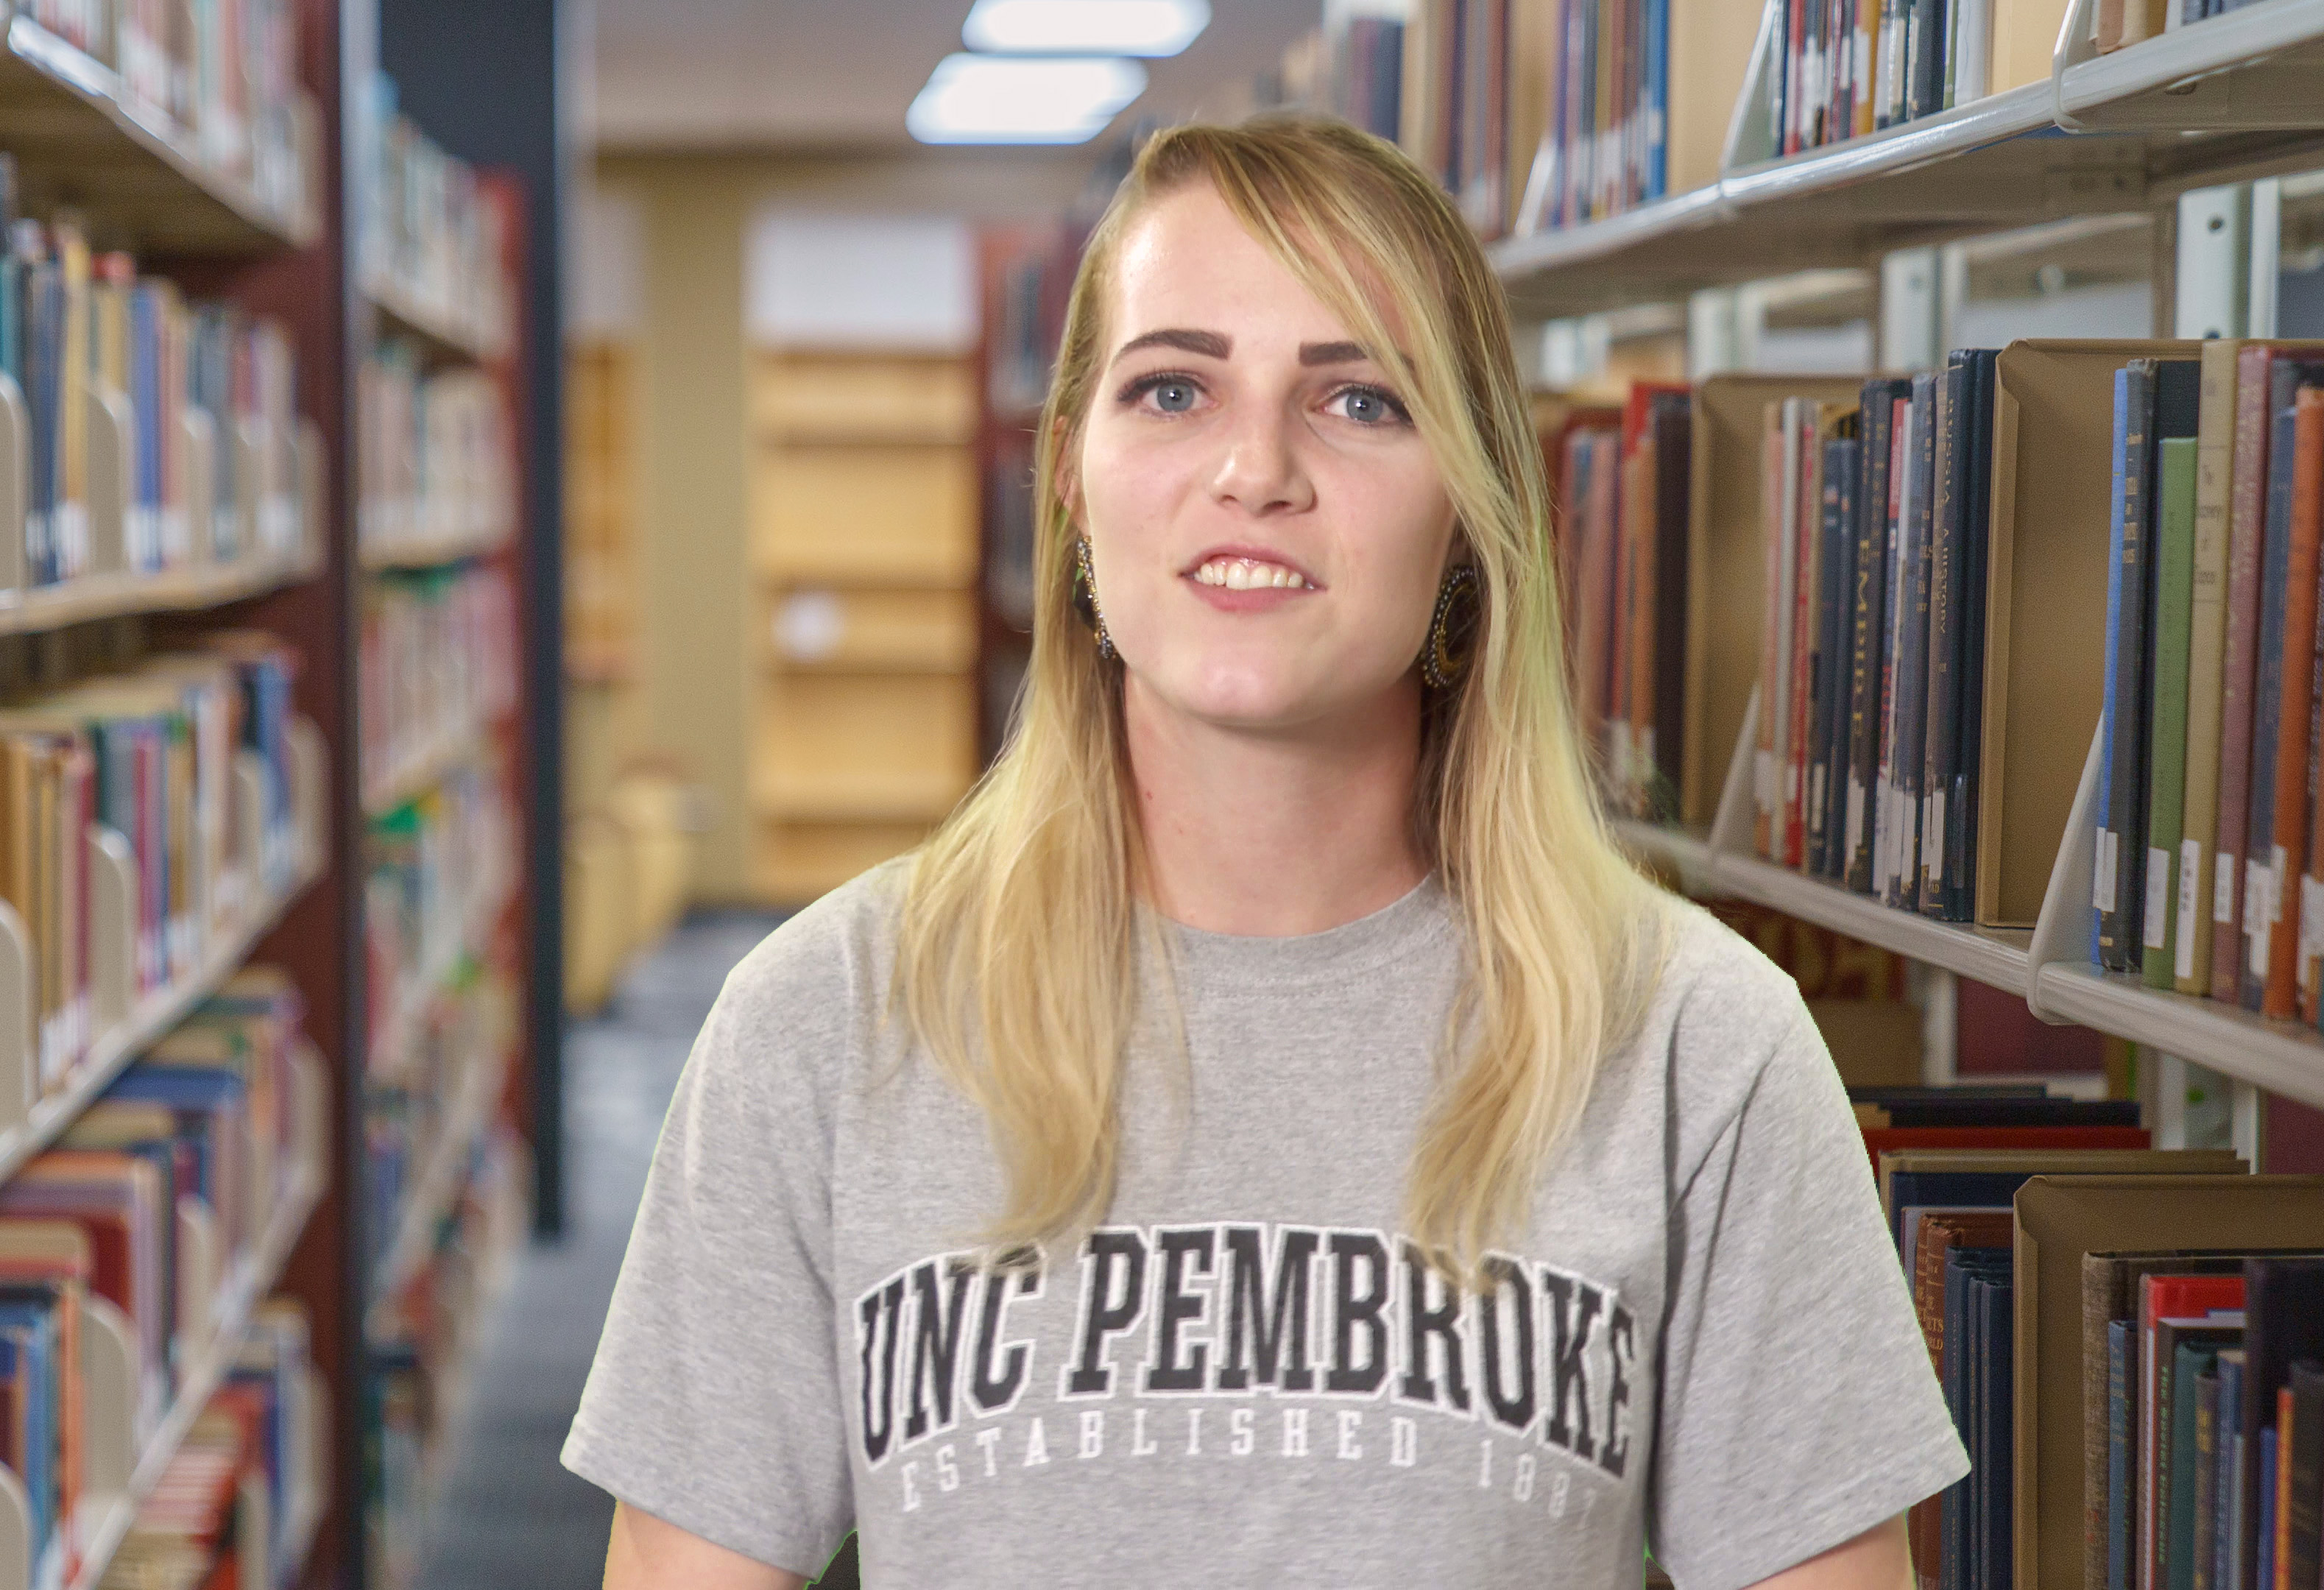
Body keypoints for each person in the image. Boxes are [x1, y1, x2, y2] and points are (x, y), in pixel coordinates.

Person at [565, 115, 1965, 1590]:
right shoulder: (824, 1021)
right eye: (1172, 387)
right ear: (1070, 476)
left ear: (1473, 502)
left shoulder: (1698, 1044)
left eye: (1359, 401)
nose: (1255, 470)